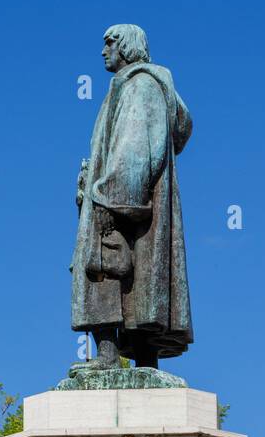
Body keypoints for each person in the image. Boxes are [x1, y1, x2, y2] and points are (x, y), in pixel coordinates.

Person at [71, 24, 193, 370]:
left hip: (123, 198)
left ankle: (112, 356)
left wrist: (111, 196)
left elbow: (136, 146)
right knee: (130, 273)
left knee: (105, 270)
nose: (103, 50)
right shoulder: (125, 87)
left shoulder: (141, 85)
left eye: (109, 43)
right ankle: (141, 357)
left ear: (126, 46)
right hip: (123, 194)